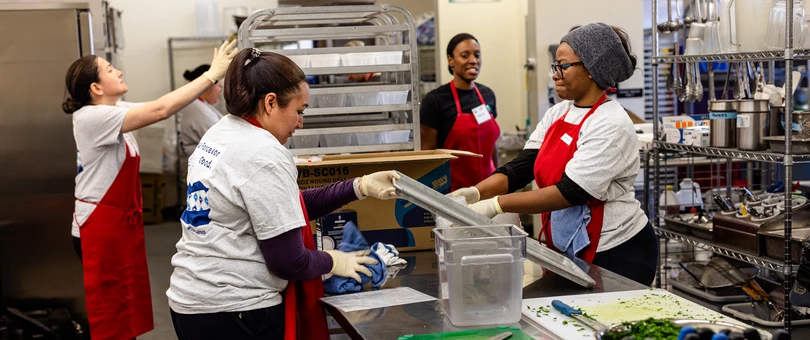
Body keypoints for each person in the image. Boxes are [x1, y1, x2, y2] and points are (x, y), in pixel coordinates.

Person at [167, 48, 401, 340]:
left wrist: (358, 186)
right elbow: (289, 261)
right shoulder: (263, 153)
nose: (300, 123)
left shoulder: (222, 133)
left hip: (192, 300)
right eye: (299, 111)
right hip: (236, 311)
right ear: (270, 102)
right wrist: (334, 261)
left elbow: (284, 208)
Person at [451, 23, 658, 286]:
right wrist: (476, 193)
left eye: (563, 65)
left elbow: (570, 192)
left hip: (617, 251)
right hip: (570, 248)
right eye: (555, 66)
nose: (555, 74)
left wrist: (496, 205)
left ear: (591, 70)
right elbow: (521, 168)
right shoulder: (558, 113)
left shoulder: (611, 123)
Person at [63, 40, 238, 340]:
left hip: (118, 226)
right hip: (99, 229)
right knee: (112, 312)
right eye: (109, 69)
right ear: (96, 88)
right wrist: (211, 75)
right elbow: (159, 110)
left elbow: (162, 106)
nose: (117, 71)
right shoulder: (93, 118)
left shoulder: (114, 109)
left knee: (125, 306)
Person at [420, 33, 500, 192]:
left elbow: (492, 146)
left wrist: (499, 177)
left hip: (488, 190)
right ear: (450, 60)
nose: (473, 60)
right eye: (465, 55)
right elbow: (426, 154)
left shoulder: (487, 95)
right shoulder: (436, 100)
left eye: (477, 55)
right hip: (453, 194)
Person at [178, 64, 223, 158]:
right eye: (219, 86)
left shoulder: (199, 104)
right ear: (209, 87)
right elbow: (220, 140)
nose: (220, 91)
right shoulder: (200, 112)